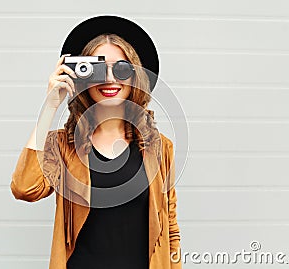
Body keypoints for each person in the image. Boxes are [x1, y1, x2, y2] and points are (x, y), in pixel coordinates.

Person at [10, 15, 182, 269]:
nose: (110, 79)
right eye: (98, 69)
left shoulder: (159, 147)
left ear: (135, 77)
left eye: (122, 69)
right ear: (82, 77)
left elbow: (170, 229)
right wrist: (50, 107)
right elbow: (25, 188)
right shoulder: (62, 146)